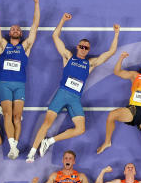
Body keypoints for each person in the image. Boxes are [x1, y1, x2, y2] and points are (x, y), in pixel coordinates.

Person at [25, 14, 120, 162]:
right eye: (81, 46)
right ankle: (32, 152)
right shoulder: (68, 57)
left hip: (75, 98)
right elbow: (55, 36)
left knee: (80, 129)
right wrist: (62, 20)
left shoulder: (90, 63)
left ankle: (49, 141)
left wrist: (116, 34)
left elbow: (111, 52)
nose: (83, 49)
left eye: (86, 48)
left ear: (88, 50)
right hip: (62, 94)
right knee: (47, 123)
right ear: (77, 47)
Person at [0, 0, 40, 159]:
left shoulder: (26, 46)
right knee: (8, 115)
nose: (15, 29)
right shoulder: (3, 45)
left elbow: (35, 25)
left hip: (19, 85)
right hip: (5, 85)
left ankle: (14, 147)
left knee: (17, 118)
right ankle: (12, 147)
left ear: (21, 34)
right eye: (13, 29)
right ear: (10, 33)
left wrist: (36, 3)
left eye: (18, 29)